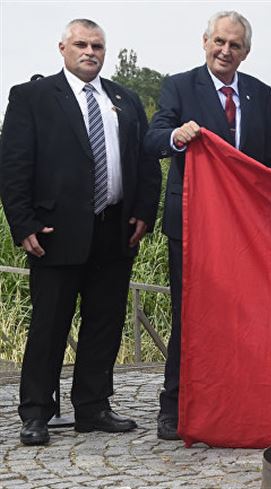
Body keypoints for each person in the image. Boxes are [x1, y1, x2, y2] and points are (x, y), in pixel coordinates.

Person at [0, 18, 161, 446]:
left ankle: (93, 407)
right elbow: (14, 165)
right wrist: (22, 224)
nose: (90, 52)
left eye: (98, 46)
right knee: (49, 325)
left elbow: (146, 163)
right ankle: (36, 412)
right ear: (63, 48)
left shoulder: (125, 100)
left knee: (104, 324)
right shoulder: (32, 96)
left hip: (114, 229)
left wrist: (144, 211)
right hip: (55, 231)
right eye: (81, 45)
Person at [144, 11, 271, 440]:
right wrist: (177, 136)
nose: (226, 51)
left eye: (235, 45)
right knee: (190, 315)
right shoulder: (179, 86)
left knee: (248, 317)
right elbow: (153, 140)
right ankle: (175, 406)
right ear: (205, 41)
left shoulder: (261, 94)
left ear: (247, 51)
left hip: (248, 232)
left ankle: (241, 400)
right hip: (192, 227)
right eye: (220, 42)